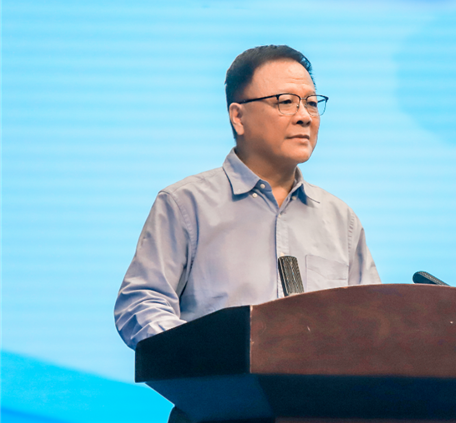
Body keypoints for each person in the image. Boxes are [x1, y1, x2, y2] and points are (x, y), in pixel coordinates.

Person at [114, 45, 381, 352]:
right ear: (238, 117)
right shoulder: (185, 205)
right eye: (286, 102)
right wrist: (207, 354)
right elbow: (141, 305)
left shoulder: (341, 220)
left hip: (318, 385)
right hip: (216, 382)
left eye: (311, 103)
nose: (304, 117)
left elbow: (373, 323)